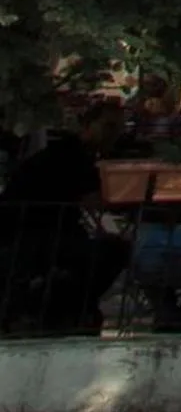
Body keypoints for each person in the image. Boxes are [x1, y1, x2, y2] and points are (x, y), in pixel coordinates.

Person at [0, 105, 130, 333]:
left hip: (35, 234)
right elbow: (95, 202)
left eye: (118, 129)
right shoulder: (74, 156)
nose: (114, 134)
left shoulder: (67, 152)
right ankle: (71, 310)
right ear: (87, 125)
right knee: (113, 251)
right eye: (109, 126)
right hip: (34, 237)